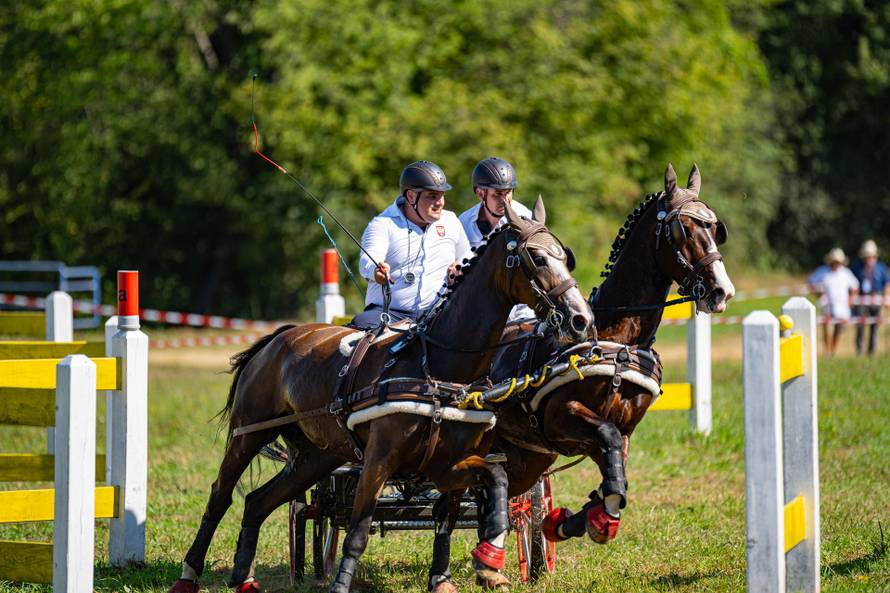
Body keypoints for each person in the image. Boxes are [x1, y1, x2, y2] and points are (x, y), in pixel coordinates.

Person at [352, 160, 471, 329]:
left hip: (438, 314)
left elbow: (467, 256)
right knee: (361, 323)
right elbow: (366, 263)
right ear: (411, 196)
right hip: (390, 314)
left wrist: (459, 266)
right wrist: (377, 270)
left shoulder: (451, 220)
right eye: (432, 196)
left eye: (442, 195)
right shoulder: (382, 224)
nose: (440, 203)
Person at [458, 157, 535, 323]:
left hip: (520, 313)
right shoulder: (463, 222)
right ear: (480, 193)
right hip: (477, 312)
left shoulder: (526, 218)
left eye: (508, 193)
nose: (505, 200)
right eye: (497, 194)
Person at [808, 247, 859, 356]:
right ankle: (827, 350)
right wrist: (818, 295)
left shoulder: (846, 273)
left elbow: (855, 286)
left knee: (838, 329)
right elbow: (811, 282)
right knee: (826, 328)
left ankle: (833, 351)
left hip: (841, 306)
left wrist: (850, 300)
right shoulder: (822, 271)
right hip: (826, 305)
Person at [850, 240, 889, 355]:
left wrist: (885, 298)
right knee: (860, 325)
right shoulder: (857, 268)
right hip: (861, 299)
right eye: (867, 257)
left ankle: (872, 352)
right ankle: (859, 351)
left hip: (876, 298)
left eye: (871, 256)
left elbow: (886, 284)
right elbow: (853, 284)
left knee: (874, 325)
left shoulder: (882, 268)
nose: (869, 259)